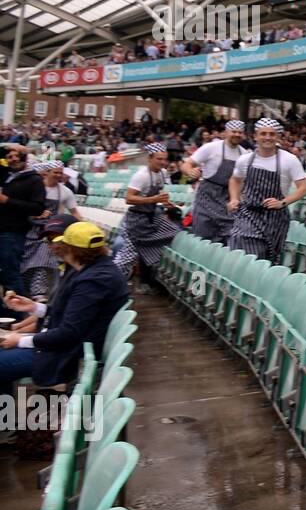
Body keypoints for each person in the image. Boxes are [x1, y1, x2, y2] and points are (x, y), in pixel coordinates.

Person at [0, 221, 129, 393]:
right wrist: (33, 307)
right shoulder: (95, 270)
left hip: (67, 355)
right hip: (68, 346)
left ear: (70, 248)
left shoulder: (93, 280)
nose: (54, 247)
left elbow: (69, 332)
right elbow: (76, 315)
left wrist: (21, 340)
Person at [227, 119, 306, 263]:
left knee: (266, 259)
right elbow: (235, 180)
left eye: (272, 134)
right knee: (241, 243)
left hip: (275, 218)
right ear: (255, 136)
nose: (267, 137)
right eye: (263, 134)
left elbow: (303, 189)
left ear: (277, 137)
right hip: (248, 213)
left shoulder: (290, 160)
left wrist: (282, 203)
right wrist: (234, 198)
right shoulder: (245, 159)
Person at [114, 142, 183, 289]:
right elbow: (129, 198)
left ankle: (147, 257)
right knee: (127, 257)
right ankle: (111, 281)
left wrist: (166, 203)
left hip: (152, 215)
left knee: (175, 232)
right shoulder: (141, 176)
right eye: (159, 159)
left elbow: (156, 195)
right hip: (137, 219)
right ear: (150, 159)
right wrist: (153, 200)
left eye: (165, 159)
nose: (163, 162)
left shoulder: (163, 173)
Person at [21, 162, 81, 300]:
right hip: (29, 231)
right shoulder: (34, 188)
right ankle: (29, 294)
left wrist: (82, 226)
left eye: (60, 172)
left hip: (49, 232)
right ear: (46, 172)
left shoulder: (65, 191)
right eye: (56, 172)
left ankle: (39, 294)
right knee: (26, 266)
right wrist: (35, 214)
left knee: (42, 260)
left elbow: (74, 212)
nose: (59, 175)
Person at [181, 120, 247, 245]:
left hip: (229, 198)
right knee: (202, 234)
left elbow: (242, 181)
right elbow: (186, 164)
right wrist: (190, 171)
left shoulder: (244, 154)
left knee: (228, 236)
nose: (237, 135)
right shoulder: (211, 148)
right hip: (207, 195)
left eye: (240, 132)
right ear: (226, 132)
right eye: (234, 131)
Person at [0, 148, 48, 298]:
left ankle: (17, 313)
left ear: (25, 158)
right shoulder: (6, 175)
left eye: (17, 156)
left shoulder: (34, 180)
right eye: (9, 156)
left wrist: (7, 201)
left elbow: (37, 208)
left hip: (12, 233)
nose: (13, 159)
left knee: (11, 274)